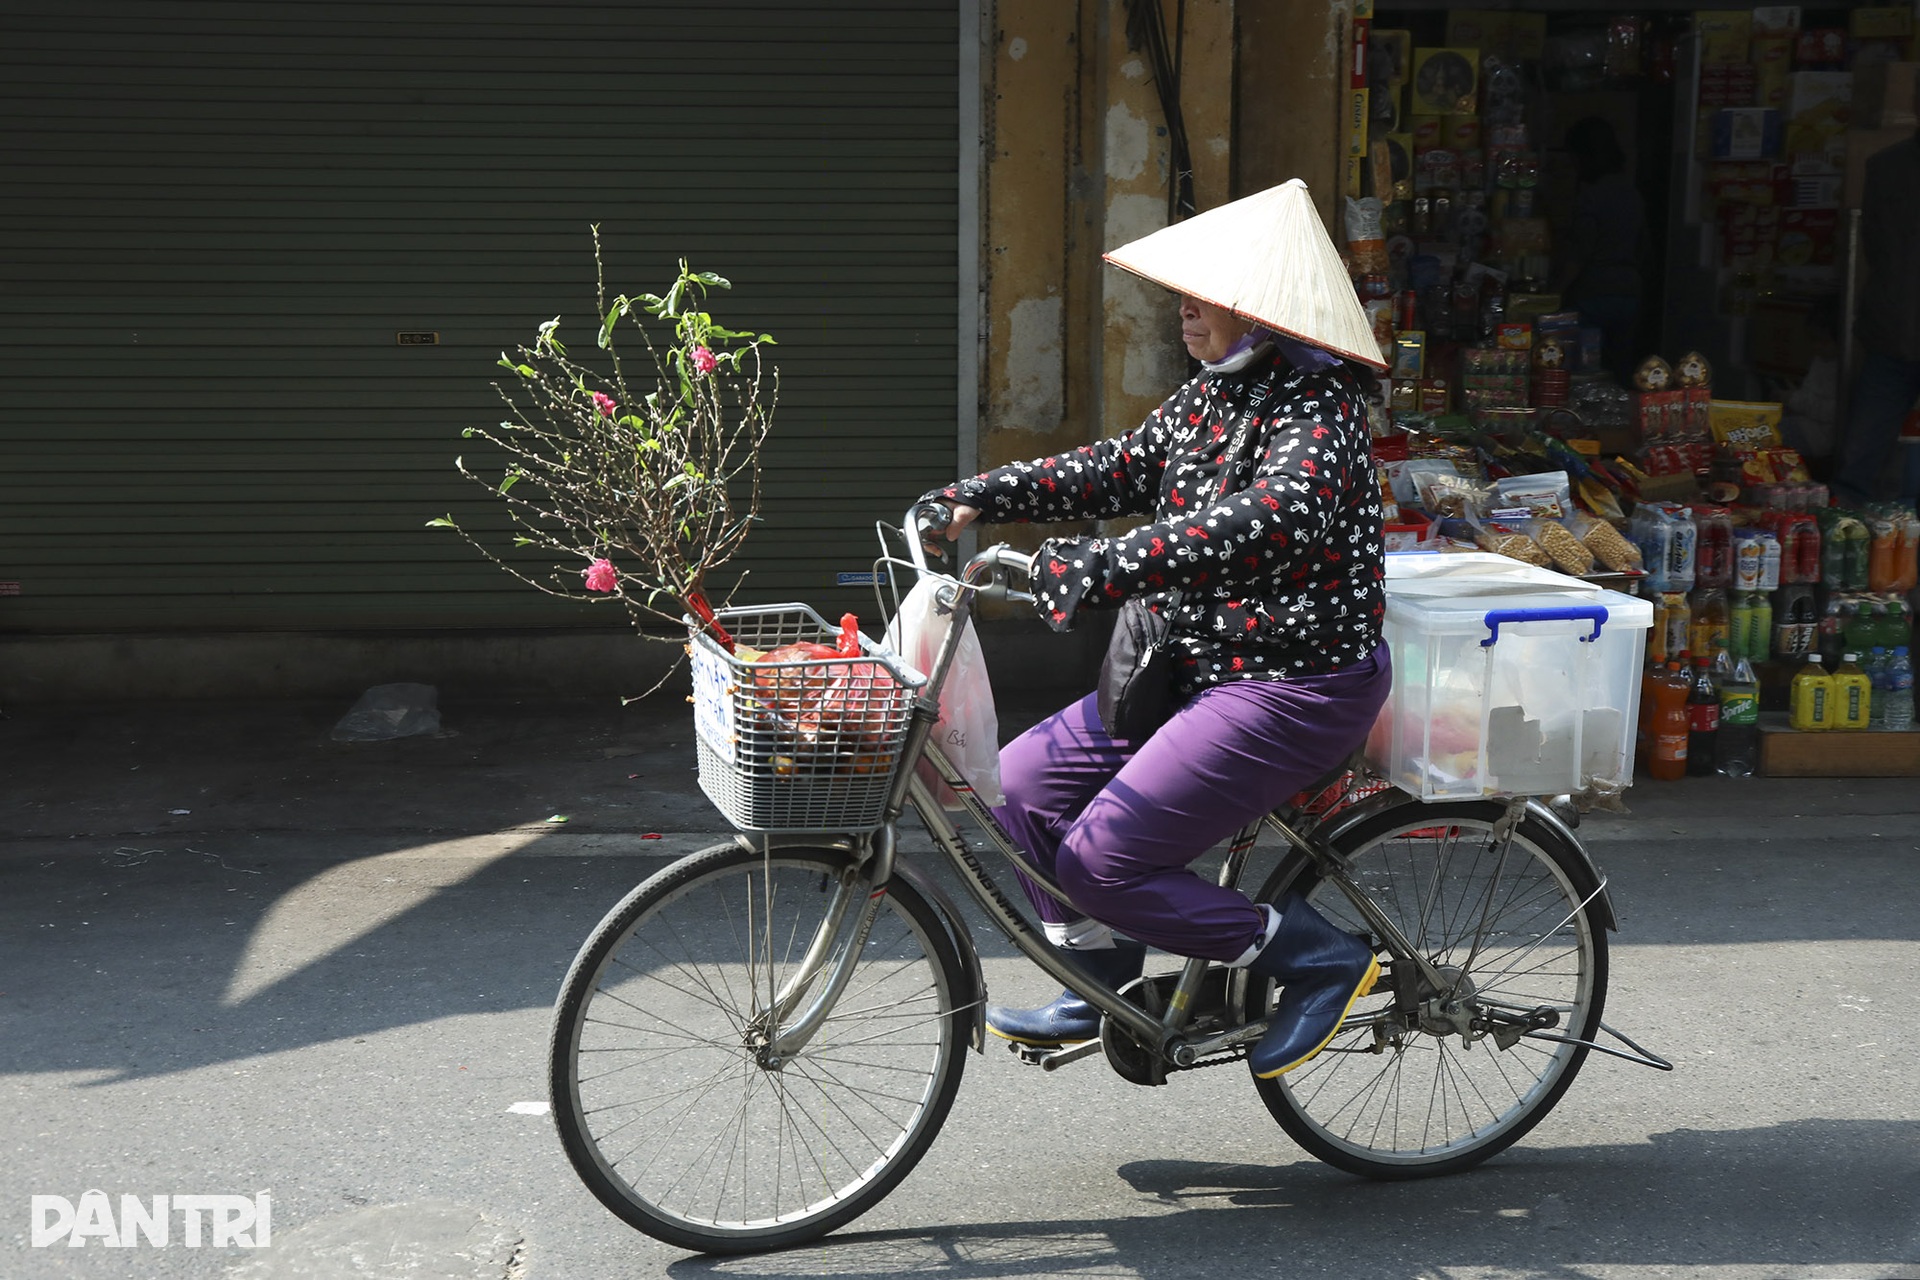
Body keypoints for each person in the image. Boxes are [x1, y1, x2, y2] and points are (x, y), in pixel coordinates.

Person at [919, 179, 1393, 1080]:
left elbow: (1269, 516)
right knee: (1017, 786)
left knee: (1104, 861)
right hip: (1187, 670)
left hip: (1292, 687)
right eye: (1185, 293)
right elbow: (1118, 467)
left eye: (1207, 296)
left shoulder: (1318, 413)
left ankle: (1319, 960)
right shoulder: (1211, 397)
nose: (1186, 311)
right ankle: (1101, 981)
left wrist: (1109, 563)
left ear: (1263, 311)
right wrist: (982, 496)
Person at [1835, 75, 1920, 507]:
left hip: (1890, 326)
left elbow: (1877, 247)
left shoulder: (1886, 166)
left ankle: (1860, 533)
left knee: (1863, 454)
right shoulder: (1886, 166)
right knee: (1864, 455)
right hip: (1891, 330)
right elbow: (1877, 245)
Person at [1556, 117, 1646, 384]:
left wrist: (1554, 293)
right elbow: (1643, 249)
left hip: (1593, 295)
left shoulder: (1591, 198)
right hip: (1629, 293)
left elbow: (1579, 254)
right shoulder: (1632, 195)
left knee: (1583, 372)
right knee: (1620, 370)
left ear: (1583, 157)